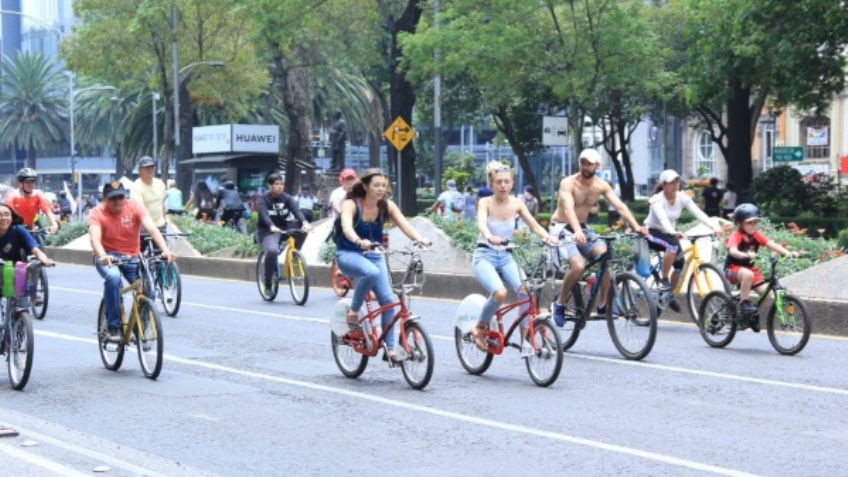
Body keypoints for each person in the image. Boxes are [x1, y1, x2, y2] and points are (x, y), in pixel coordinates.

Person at [335, 168, 432, 361]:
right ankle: (354, 311)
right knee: (370, 272)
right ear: (365, 186)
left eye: (384, 185)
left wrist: (420, 239)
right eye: (376, 185)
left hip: (375, 254)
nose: (381, 189)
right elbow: (346, 226)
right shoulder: (351, 204)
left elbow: (405, 224)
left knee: (388, 302)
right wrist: (358, 240)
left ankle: (390, 349)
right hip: (348, 253)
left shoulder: (386, 205)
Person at [549, 149, 646, 325]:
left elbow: (620, 207)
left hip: (582, 228)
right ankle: (560, 303)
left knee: (605, 257)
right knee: (578, 266)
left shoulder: (601, 185)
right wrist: (577, 230)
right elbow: (568, 207)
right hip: (562, 228)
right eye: (583, 162)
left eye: (589, 163)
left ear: (597, 166)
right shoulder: (568, 183)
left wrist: (636, 226)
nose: (585, 166)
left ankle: (602, 305)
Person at [470, 162, 558, 354]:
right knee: (500, 294)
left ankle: (525, 338)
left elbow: (534, 226)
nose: (503, 185)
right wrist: (489, 236)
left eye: (507, 182)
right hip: (485, 255)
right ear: (492, 184)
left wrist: (548, 238)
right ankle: (480, 326)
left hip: (506, 256)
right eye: (498, 182)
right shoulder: (485, 202)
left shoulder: (517, 203)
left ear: (512, 183)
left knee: (526, 291)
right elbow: (482, 224)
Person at [89, 182, 175, 341]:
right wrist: (103, 255)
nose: (118, 202)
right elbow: (95, 239)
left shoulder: (134, 206)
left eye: (120, 197)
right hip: (108, 256)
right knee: (113, 278)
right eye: (113, 198)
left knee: (149, 290)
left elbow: (152, 228)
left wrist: (165, 250)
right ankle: (113, 327)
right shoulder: (97, 213)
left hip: (131, 257)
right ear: (105, 199)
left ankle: (139, 326)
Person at [644, 169, 722, 312]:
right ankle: (664, 280)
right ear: (663, 185)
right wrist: (672, 231)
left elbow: (698, 213)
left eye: (677, 182)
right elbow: (662, 218)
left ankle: (668, 295)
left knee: (680, 264)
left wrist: (714, 226)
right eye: (671, 183)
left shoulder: (682, 197)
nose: (675, 185)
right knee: (672, 247)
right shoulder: (657, 200)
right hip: (652, 232)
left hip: (669, 233)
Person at [724, 203, 798, 332]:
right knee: (748, 274)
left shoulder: (756, 235)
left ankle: (751, 315)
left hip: (750, 270)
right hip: (733, 269)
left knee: (768, 295)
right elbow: (733, 251)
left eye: (755, 223)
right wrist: (746, 255)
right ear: (740, 223)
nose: (753, 226)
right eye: (749, 223)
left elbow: (771, 244)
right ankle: (744, 305)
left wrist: (787, 253)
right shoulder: (735, 236)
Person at [257, 173, 312, 292]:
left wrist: (304, 222)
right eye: (276, 184)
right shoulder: (263, 199)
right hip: (267, 230)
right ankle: (267, 284)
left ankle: (295, 254)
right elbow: (263, 215)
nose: (280, 186)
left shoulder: (287, 198)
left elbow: (297, 210)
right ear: (269, 185)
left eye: (281, 184)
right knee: (272, 251)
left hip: (283, 227)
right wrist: (271, 226)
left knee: (302, 230)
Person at [4, 168, 59, 239]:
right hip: (14, 228)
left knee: (39, 245)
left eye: (33, 181)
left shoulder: (38, 194)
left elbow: (47, 211)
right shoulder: (12, 195)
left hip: (31, 228)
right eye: (28, 182)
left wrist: (54, 224)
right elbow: (6, 213)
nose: (31, 184)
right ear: (21, 183)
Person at [0, 203, 54, 269]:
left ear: (12, 217)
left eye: (7, 214)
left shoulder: (17, 229)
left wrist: (45, 259)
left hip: (18, 272)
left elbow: (35, 249)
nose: (3, 218)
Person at [130, 156, 167, 231]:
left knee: (163, 243)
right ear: (140, 170)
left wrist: (165, 220)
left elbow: (162, 204)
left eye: (152, 167)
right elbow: (140, 209)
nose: (150, 170)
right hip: (143, 226)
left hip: (160, 225)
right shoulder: (136, 187)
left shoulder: (160, 183)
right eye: (146, 168)